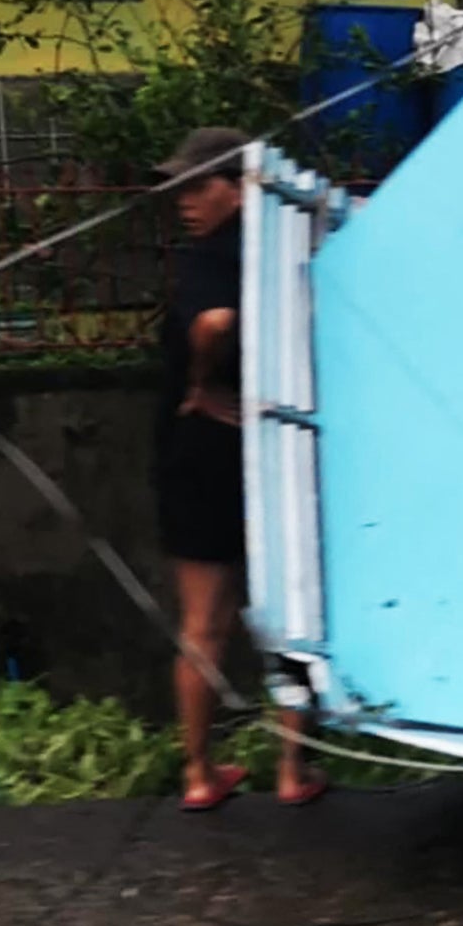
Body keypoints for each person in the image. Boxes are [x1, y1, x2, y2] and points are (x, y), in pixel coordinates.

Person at [153, 126, 318, 811]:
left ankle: (198, 772)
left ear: (237, 185)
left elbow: (213, 323)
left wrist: (200, 382)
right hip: (275, 449)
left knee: (203, 621)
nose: (185, 202)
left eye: (199, 186)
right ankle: (292, 769)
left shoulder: (214, 257)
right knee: (291, 611)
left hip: (200, 452)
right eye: (180, 188)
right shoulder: (286, 248)